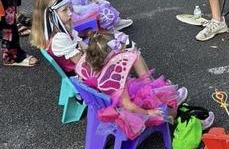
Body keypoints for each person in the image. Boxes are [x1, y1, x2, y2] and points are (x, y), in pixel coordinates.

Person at [74, 30, 206, 140]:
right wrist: (148, 112)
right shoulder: (116, 78)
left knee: (153, 92)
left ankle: (172, 102)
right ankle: (188, 123)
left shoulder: (94, 66)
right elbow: (128, 106)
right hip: (129, 115)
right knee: (164, 107)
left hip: (112, 104)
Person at [30, 0, 84, 75]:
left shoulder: (50, 33)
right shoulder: (60, 38)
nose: (70, 13)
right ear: (51, 16)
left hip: (77, 68)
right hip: (78, 73)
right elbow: (80, 62)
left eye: (69, 8)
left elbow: (80, 44)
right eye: (65, 10)